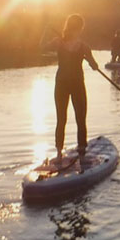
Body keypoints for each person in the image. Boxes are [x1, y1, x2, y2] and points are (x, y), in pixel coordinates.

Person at [43, 14, 99, 162]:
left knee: (62, 119)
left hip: (62, 83)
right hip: (75, 84)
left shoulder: (60, 42)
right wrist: (91, 61)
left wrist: (45, 31)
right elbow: (95, 67)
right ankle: (80, 151)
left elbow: (41, 47)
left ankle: (59, 152)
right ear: (80, 28)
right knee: (79, 119)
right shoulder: (83, 46)